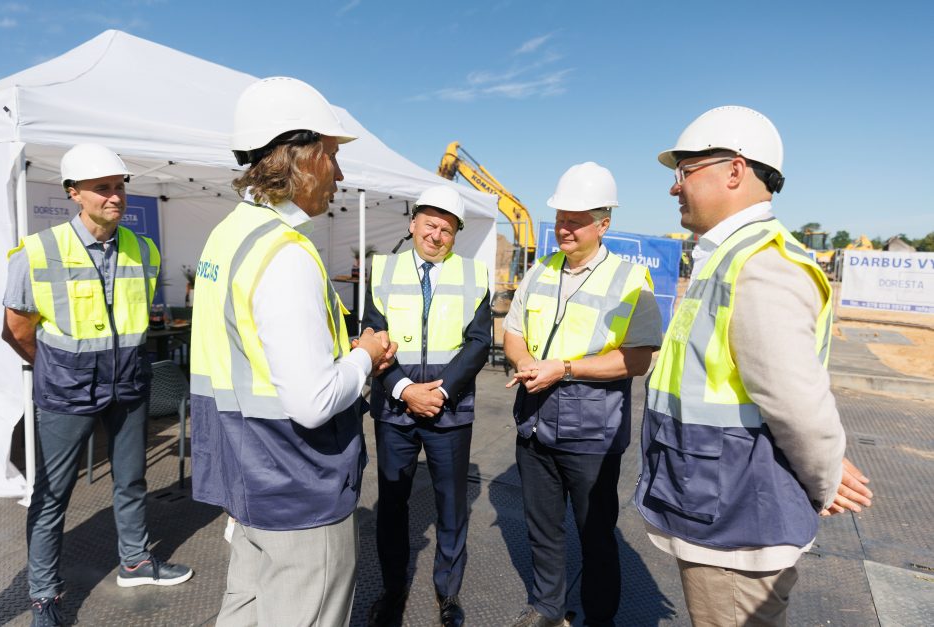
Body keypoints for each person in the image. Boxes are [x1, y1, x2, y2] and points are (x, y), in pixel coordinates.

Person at [635, 105, 873, 626]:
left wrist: (826, 474)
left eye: (685, 172)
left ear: (736, 171)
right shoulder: (727, 257)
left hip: (735, 525)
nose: (675, 188)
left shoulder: (760, 265)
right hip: (713, 502)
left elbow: (795, 402)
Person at [189, 77, 396, 627]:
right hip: (297, 485)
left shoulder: (228, 235)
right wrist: (366, 356)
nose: (340, 172)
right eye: (331, 154)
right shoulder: (287, 254)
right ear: (299, 157)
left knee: (245, 611)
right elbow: (311, 401)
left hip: (247, 475)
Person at [1, 143, 193, 627]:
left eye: (119, 186)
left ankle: (135, 562)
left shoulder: (143, 249)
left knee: (131, 481)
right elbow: (17, 329)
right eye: (102, 189)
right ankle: (44, 596)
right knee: (51, 497)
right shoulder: (39, 251)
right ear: (74, 194)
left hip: (127, 387)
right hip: (66, 394)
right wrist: (60, 369)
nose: (115, 197)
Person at [502, 162, 662, 627]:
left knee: (595, 536)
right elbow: (513, 331)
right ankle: (549, 610)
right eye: (560, 218)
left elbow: (638, 358)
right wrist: (523, 361)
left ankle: (599, 619)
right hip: (533, 422)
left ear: (603, 224)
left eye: (576, 220)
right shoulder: (540, 270)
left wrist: (564, 368)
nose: (564, 229)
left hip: (591, 432)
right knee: (542, 530)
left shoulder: (629, 278)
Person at [363, 185, 491, 627]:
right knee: (392, 505)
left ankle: (448, 595)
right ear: (413, 223)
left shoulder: (475, 275)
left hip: (449, 411)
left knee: (452, 507)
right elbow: (372, 336)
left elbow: (478, 343)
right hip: (395, 410)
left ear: (456, 234)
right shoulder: (382, 270)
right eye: (430, 225)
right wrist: (403, 390)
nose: (436, 236)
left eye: (447, 229)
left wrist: (440, 393)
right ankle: (392, 590)